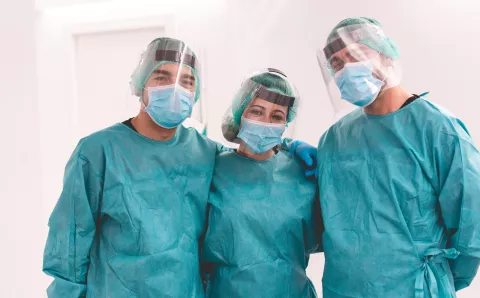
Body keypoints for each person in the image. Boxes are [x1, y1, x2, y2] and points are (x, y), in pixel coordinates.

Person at [43, 38, 317, 297]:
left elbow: (251, 155)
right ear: (141, 84)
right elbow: (69, 245)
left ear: (195, 93)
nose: (175, 90)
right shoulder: (97, 151)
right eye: (163, 78)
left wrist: (290, 146)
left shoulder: (205, 152)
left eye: (186, 81)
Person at [315, 17, 480, 297]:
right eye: (337, 64)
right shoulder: (333, 139)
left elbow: (471, 225)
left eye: (356, 55)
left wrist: (439, 280)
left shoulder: (438, 129)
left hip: (415, 289)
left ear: (385, 55)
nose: (346, 69)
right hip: (344, 288)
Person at [201, 69, 322, 297]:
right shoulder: (213, 169)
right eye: (257, 111)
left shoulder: (300, 172)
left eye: (277, 116)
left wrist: (290, 146)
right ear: (240, 113)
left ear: (286, 123)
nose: (266, 123)